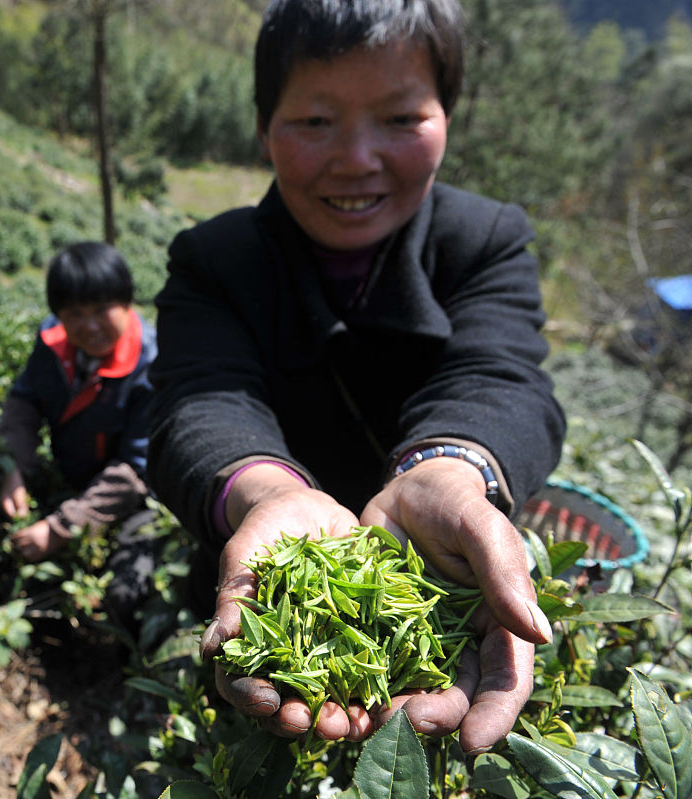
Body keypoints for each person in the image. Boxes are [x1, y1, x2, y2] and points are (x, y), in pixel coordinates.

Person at [146, 0, 566, 756]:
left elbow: (501, 378)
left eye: (401, 118)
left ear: (448, 115)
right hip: (249, 567)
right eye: (315, 121)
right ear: (263, 124)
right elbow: (200, 400)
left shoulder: (487, 241)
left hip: (434, 556)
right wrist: (271, 495)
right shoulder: (215, 258)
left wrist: (450, 471)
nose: (358, 158)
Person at [0, 242, 158, 624]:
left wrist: (60, 528)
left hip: (139, 500)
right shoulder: (52, 342)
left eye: (103, 309)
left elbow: (134, 470)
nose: (90, 325)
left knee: (126, 594)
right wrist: (13, 467)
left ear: (127, 302)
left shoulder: (150, 365)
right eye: (75, 313)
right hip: (75, 473)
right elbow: (24, 402)